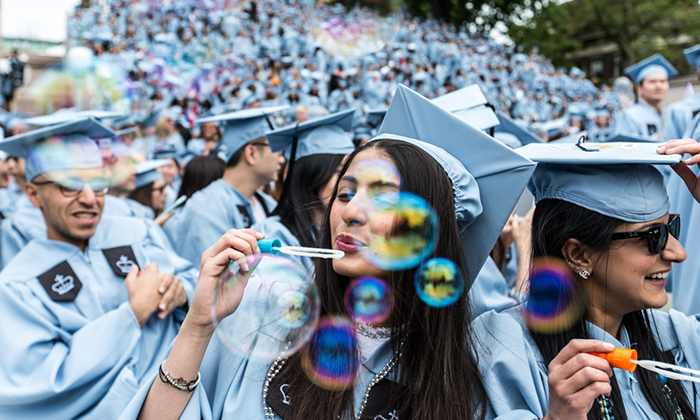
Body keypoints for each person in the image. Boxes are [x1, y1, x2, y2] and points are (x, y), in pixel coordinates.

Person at [119, 85, 535, 420]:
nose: (350, 211)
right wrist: (198, 326)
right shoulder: (267, 313)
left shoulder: (464, 369)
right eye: (345, 192)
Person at [474, 141, 700, 419]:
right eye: (654, 237)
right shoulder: (504, 351)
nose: (679, 253)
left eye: (672, 228)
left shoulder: (677, 337)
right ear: (578, 255)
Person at [0, 118, 199, 419]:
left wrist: (180, 290)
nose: (89, 199)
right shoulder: (17, 286)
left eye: (98, 184)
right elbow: (41, 382)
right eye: (69, 186)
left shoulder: (137, 234)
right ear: (32, 194)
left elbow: (191, 280)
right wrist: (132, 314)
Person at [163, 106, 285, 267]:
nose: (281, 160)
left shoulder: (266, 202)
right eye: (277, 150)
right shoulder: (206, 208)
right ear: (251, 153)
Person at [253, 109, 355, 273]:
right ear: (313, 173)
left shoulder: (341, 233)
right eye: (340, 172)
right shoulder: (273, 236)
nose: (348, 184)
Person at [612, 54, 677, 141]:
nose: (659, 86)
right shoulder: (629, 115)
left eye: (663, 81)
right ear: (639, 89)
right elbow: (623, 149)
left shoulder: (668, 115)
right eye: (652, 81)